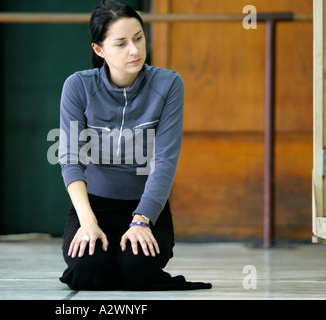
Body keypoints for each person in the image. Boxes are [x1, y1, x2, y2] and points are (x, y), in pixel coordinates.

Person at [58, 0, 212, 291]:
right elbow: (70, 160)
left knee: (137, 271)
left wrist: (142, 220)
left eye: (139, 38)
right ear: (99, 50)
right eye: (121, 43)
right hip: (94, 207)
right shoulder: (77, 86)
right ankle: (107, 257)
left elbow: (164, 161)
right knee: (87, 272)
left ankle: (125, 259)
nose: (134, 50)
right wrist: (87, 222)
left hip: (145, 209)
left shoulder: (168, 84)